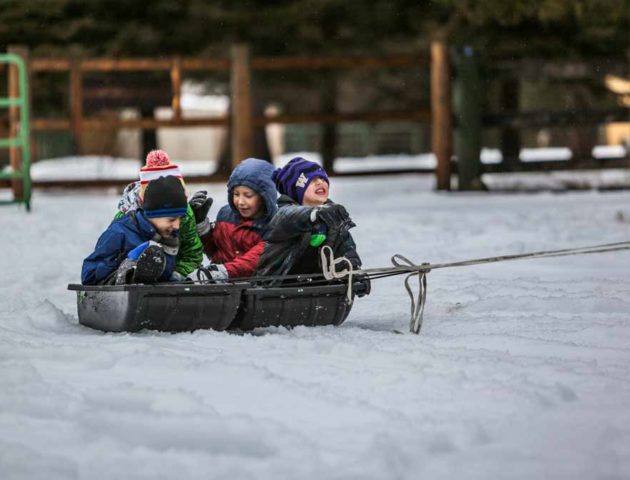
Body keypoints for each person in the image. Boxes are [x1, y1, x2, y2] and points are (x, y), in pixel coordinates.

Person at [256, 156, 370, 296]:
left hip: (319, 290)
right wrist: (315, 214)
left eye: (322, 178)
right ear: (296, 190)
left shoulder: (331, 216)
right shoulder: (283, 215)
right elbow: (292, 216)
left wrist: (354, 273)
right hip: (274, 291)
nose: (320, 182)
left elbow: (346, 250)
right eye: (312, 180)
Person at [82, 175, 188, 285]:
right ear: (152, 214)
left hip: (152, 297)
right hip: (118, 295)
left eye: (180, 219)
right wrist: (126, 271)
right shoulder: (119, 233)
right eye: (172, 219)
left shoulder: (169, 237)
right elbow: (89, 277)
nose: (177, 226)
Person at [115, 150, 203, 281]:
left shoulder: (184, 215)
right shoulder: (126, 217)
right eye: (171, 218)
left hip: (174, 274)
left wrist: (178, 274)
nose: (176, 224)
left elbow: (192, 253)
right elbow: (111, 256)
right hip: (134, 278)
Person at [189, 158, 277, 281]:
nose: (240, 202)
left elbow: (253, 262)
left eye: (248, 195)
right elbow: (214, 250)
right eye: (236, 194)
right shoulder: (226, 215)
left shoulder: (273, 225)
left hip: (253, 289)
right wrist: (201, 225)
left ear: (264, 196)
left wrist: (220, 273)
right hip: (219, 287)